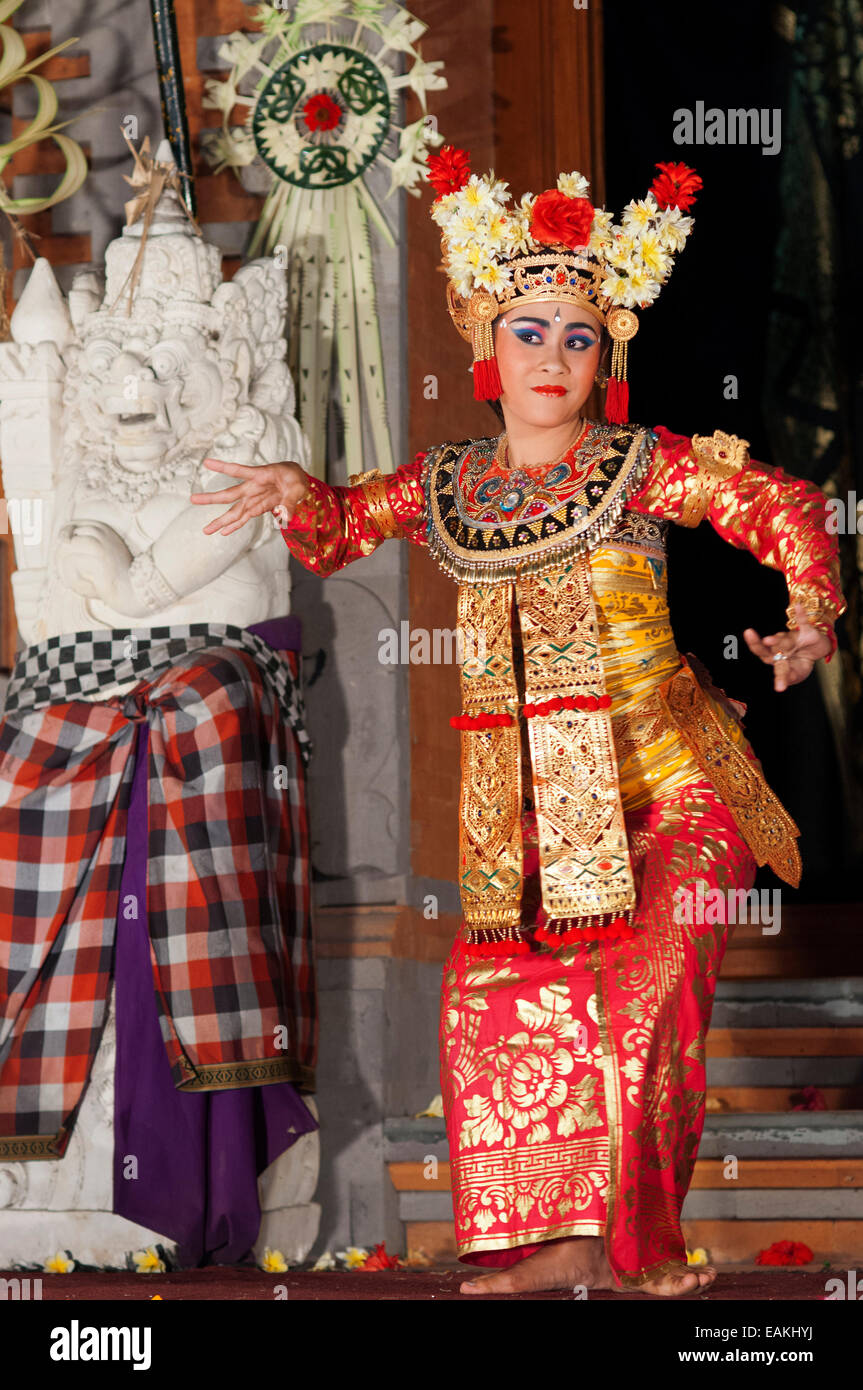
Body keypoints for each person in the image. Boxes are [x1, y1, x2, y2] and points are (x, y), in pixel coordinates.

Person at [190, 146, 844, 1296]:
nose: (551, 357)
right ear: (485, 343)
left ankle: (621, 1240)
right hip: (535, 818)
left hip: (676, 788)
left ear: (605, 355)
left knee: (638, 999)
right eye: (528, 332)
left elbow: (778, 504)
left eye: (577, 337)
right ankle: (537, 1237)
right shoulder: (449, 484)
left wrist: (808, 616)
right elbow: (341, 524)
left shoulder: (640, 466)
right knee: (482, 1003)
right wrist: (299, 491)